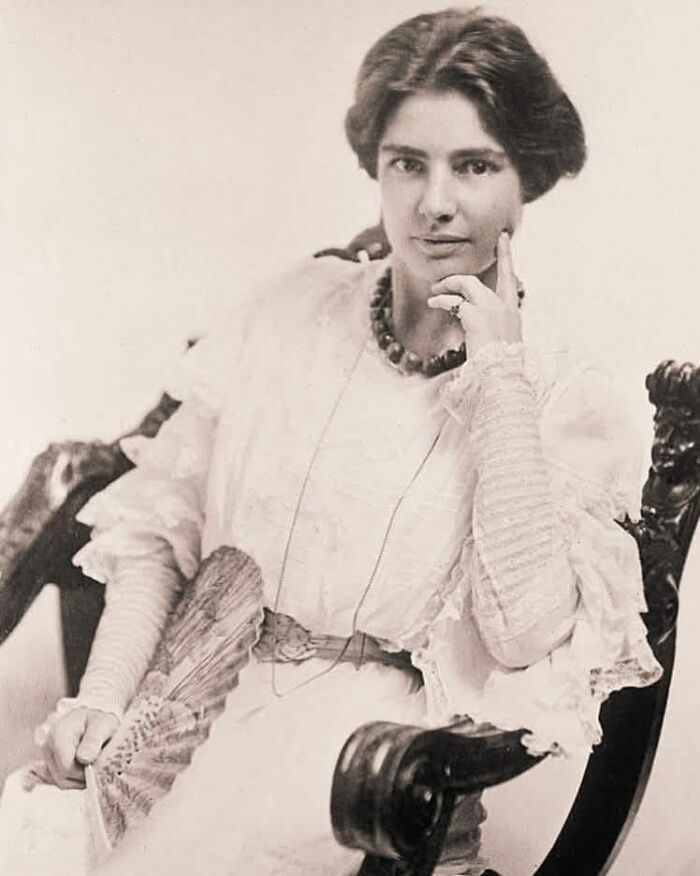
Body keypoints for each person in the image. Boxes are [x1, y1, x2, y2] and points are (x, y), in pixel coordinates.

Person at [0, 7, 662, 875]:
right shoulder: (290, 311)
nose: (435, 203)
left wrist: (499, 376)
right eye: (406, 164)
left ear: (526, 177)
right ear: (376, 172)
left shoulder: (567, 396)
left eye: (474, 165)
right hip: (190, 716)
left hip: (361, 767)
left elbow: (523, 637)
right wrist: (104, 696)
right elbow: (161, 535)